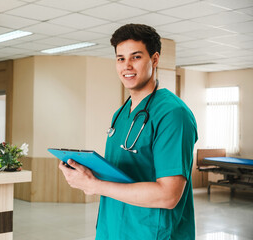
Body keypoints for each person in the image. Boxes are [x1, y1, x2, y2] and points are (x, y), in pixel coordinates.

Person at [59, 23, 197, 240]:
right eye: (121, 58)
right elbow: (122, 173)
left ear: (155, 59)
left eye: (136, 57)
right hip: (112, 228)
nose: (127, 66)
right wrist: (87, 175)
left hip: (151, 232)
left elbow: (168, 195)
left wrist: (95, 185)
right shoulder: (121, 114)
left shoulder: (173, 114)